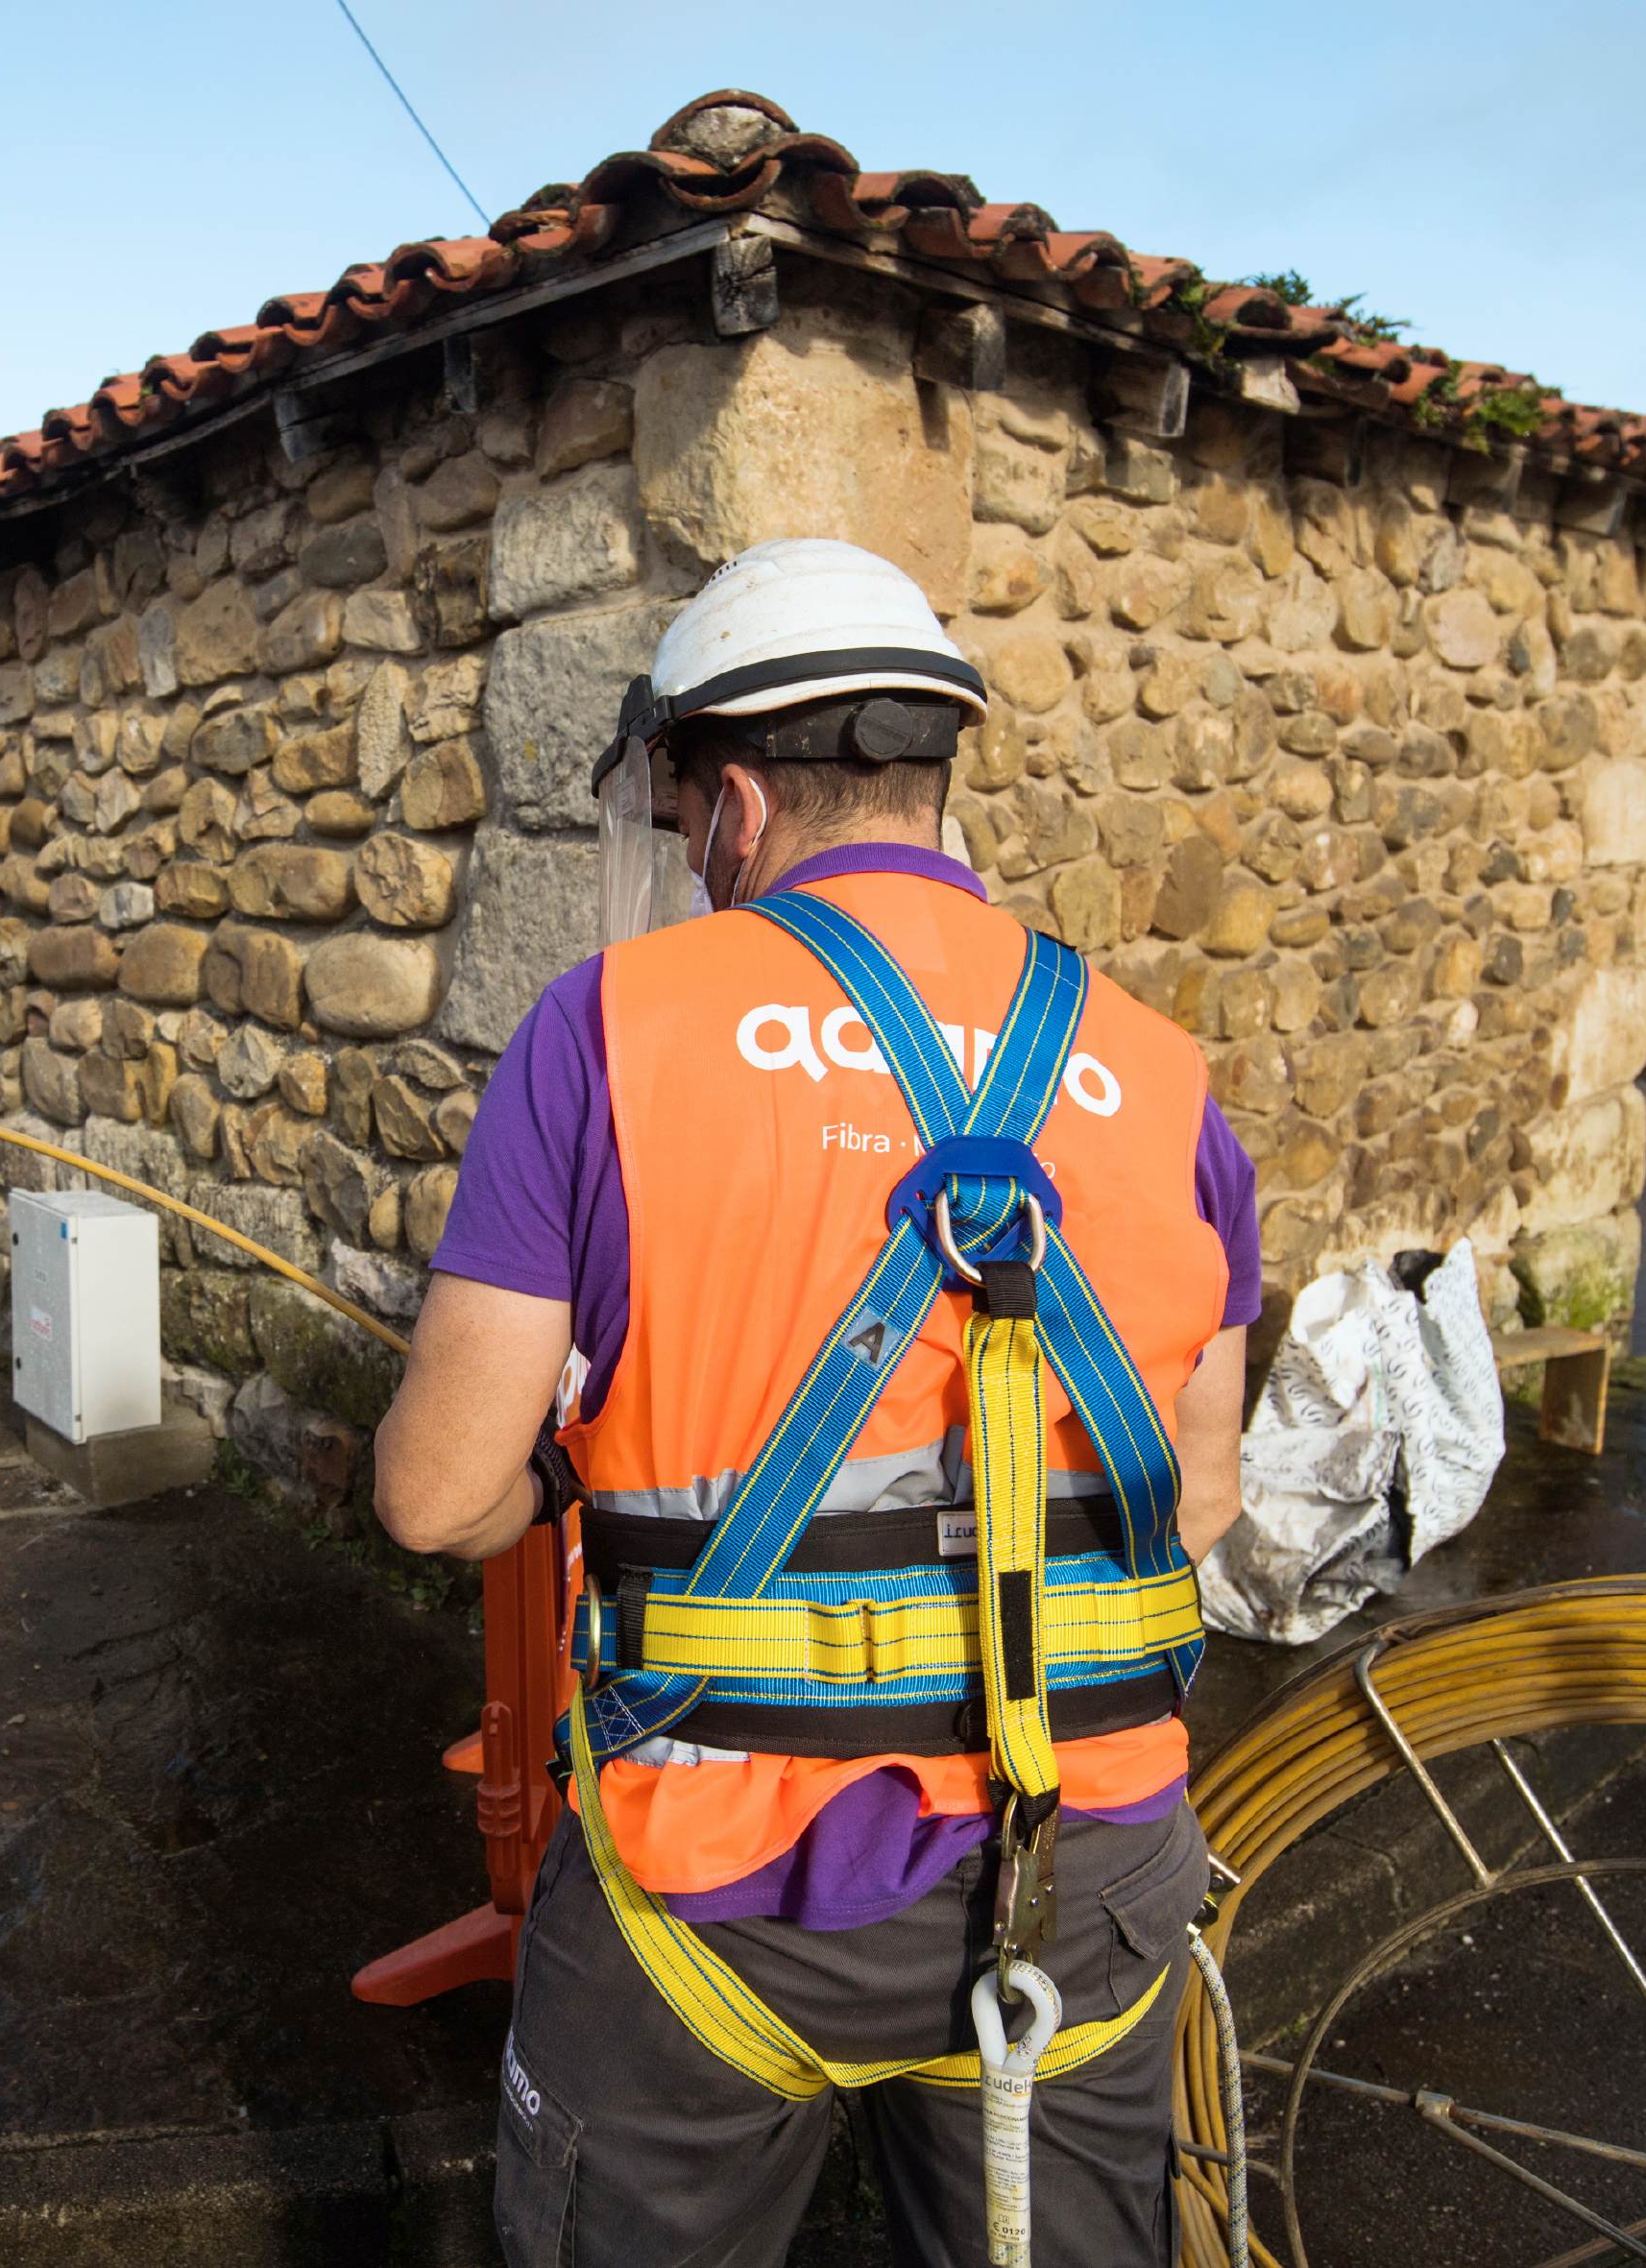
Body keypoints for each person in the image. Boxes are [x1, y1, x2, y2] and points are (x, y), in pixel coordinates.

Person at [374, 541, 1262, 2267]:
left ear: (733, 803)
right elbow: (1202, 1491)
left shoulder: (609, 1030)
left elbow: (432, 1493)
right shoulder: (1161, 1074)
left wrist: (565, 1468)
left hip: (722, 1894)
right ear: (930, 774)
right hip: (1084, 1872)